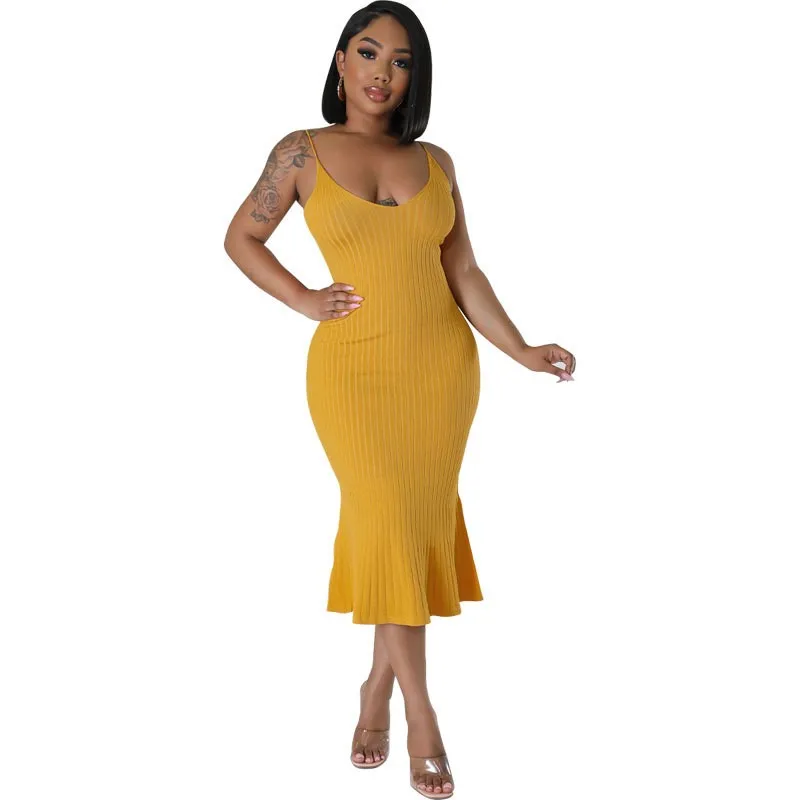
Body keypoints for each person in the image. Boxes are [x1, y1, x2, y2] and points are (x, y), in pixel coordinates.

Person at [223, 2, 576, 796]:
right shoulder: (301, 151)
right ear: (340, 60)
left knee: (404, 533)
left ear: (416, 76)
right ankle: (422, 714)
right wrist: (304, 298)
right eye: (369, 52)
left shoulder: (437, 162)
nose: (383, 71)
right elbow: (241, 237)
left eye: (402, 60)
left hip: (441, 372)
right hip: (351, 372)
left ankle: (377, 689)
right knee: (387, 520)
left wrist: (521, 349)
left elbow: (463, 272)